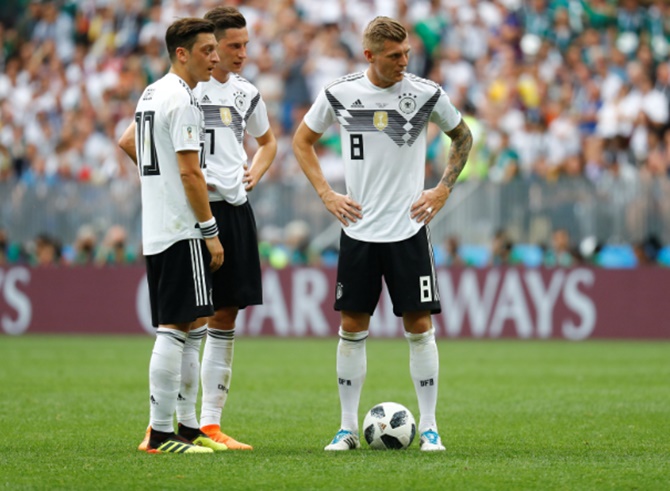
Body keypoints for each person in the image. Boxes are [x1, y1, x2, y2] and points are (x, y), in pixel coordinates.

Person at [292, 16, 472, 452]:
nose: (404, 62)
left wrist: (443, 188)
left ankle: (429, 427)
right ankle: (347, 428)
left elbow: (462, 138)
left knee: (419, 325)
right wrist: (327, 194)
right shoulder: (340, 93)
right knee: (352, 326)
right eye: (394, 56)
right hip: (359, 230)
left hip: (409, 228)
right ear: (369, 55)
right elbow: (302, 141)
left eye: (407, 53)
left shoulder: (425, 93)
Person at [123, 6, 277, 452]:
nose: (235, 54)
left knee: (215, 316)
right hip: (193, 215)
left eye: (241, 46)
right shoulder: (184, 94)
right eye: (227, 46)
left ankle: (202, 425)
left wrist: (253, 174)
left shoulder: (244, 93)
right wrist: (174, 185)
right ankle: (162, 430)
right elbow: (132, 141)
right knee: (184, 322)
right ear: (194, 50)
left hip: (226, 208)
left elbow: (268, 143)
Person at [118, 17, 225, 454]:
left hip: (157, 225)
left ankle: (185, 427)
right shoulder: (181, 99)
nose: (215, 58)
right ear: (182, 53)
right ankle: (161, 433)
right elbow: (189, 170)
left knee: (191, 323)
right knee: (175, 328)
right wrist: (210, 231)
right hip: (183, 230)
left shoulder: (152, 92)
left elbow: (128, 140)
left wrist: (155, 181)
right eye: (207, 50)